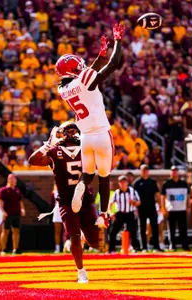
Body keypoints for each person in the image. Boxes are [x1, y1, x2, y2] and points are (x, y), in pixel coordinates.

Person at [56, 24, 125, 230]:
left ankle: (82, 186)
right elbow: (114, 65)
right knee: (104, 178)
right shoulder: (85, 81)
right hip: (102, 135)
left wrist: (100, 57)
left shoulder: (63, 89)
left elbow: (89, 73)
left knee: (88, 174)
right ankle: (103, 215)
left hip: (85, 137)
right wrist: (118, 41)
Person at [29, 122, 99, 283]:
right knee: (73, 237)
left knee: (94, 242)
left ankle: (82, 236)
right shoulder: (54, 151)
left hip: (85, 199)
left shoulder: (86, 150)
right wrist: (47, 145)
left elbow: (99, 164)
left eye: (74, 130)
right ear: (62, 133)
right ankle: (81, 272)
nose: (71, 133)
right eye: (68, 130)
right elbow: (33, 160)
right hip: (66, 201)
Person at [133, 164, 163, 252]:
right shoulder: (137, 183)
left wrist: (160, 206)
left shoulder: (152, 182)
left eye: (146, 170)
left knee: (155, 227)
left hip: (152, 208)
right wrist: (135, 208)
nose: (145, 172)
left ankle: (156, 247)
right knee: (142, 228)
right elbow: (133, 196)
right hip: (141, 209)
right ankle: (144, 247)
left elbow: (157, 194)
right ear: (140, 171)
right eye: (143, 170)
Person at [108, 175, 141, 253]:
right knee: (112, 231)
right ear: (119, 183)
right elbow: (110, 204)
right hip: (120, 214)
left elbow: (139, 202)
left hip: (130, 213)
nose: (123, 183)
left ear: (127, 182)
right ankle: (112, 249)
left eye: (124, 182)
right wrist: (111, 213)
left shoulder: (132, 191)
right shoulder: (116, 192)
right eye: (121, 182)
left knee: (133, 231)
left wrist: (133, 202)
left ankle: (134, 248)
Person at [161, 166, 190, 251]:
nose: (174, 173)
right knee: (171, 229)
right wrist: (163, 208)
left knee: (183, 229)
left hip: (181, 209)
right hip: (171, 209)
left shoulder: (184, 183)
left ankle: (185, 245)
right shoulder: (166, 183)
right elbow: (162, 197)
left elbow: (188, 196)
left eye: (176, 171)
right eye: (173, 171)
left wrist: (188, 206)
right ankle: (172, 245)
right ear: (170, 172)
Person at [0, 174, 25, 255]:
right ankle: (3, 249)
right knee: (5, 231)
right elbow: (0, 202)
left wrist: (22, 209)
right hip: (8, 214)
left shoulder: (17, 190)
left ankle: (15, 249)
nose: (13, 181)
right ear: (8, 180)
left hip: (16, 213)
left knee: (16, 231)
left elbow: (20, 201)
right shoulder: (3, 190)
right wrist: (3, 211)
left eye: (14, 179)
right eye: (11, 179)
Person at [51, 184, 64, 253]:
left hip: (65, 211)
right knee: (57, 232)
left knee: (66, 232)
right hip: (57, 213)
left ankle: (66, 247)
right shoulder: (53, 192)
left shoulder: (67, 191)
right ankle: (57, 248)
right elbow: (52, 203)